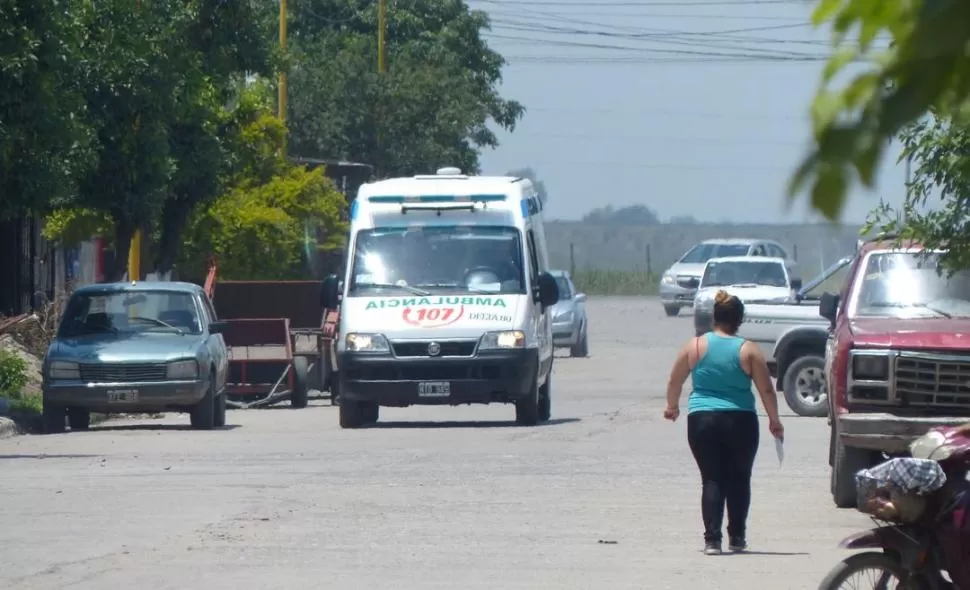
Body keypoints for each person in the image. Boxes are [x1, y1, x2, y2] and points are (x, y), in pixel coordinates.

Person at [664, 289, 785, 555]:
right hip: (740, 420)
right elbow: (766, 390)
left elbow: (675, 380)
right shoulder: (749, 349)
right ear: (738, 320)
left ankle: (712, 541)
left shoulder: (694, 346)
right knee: (740, 478)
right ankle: (737, 537)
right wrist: (775, 420)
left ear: (714, 317)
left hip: (701, 420)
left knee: (711, 479)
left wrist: (672, 406)